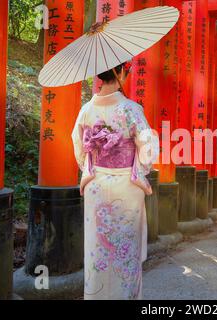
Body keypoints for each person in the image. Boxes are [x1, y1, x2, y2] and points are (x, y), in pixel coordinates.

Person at [71, 62, 158, 300]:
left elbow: (79, 146)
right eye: (126, 72)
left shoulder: (86, 110)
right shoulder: (131, 109)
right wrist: (141, 169)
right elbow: (147, 149)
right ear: (120, 73)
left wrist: (91, 168)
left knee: (97, 248)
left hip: (96, 184)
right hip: (126, 186)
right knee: (124, 248)